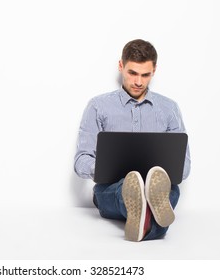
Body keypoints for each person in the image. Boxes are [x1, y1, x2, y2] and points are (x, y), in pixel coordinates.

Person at [74, 39, 191, 242]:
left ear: (154, 70)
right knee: (122, 190)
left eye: (145, 75)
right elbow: (81, 160)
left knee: (169, 191)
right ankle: (149, 216)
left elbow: (184, 166)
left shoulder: (169, 108)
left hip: (159, 186)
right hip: (111, 188)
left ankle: (142, 216)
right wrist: (104, 168)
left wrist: (155, 178)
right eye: (132, 73)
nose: (139, 82)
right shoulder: (98, 106)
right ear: (121, 66)